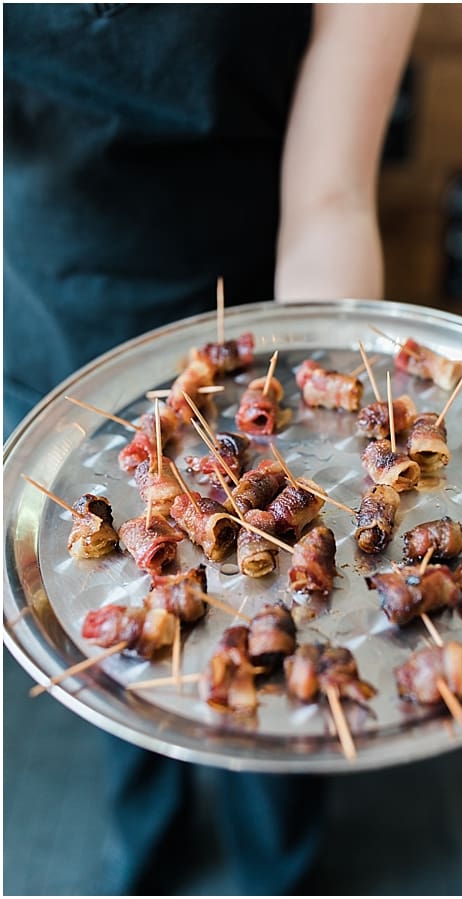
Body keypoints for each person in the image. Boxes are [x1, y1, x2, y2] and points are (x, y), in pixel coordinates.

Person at [4, 4, 419, 892]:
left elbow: (330, 199)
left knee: (280, 652)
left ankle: (278, 865)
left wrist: (308, 407)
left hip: (253, 336)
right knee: (116, 643)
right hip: (45, 326)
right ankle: (144, 841)